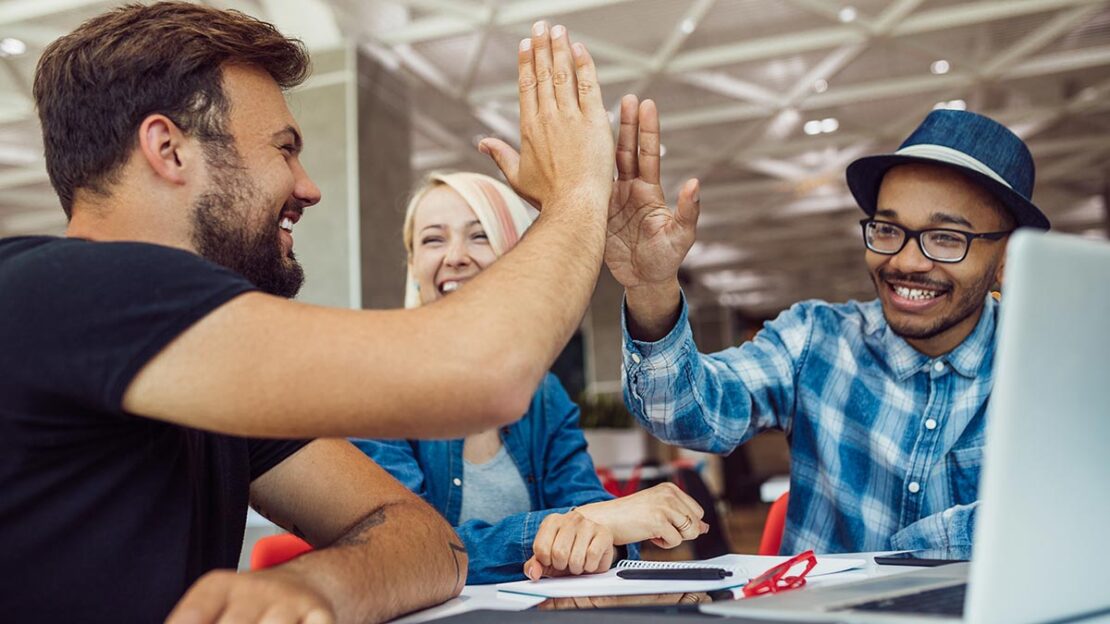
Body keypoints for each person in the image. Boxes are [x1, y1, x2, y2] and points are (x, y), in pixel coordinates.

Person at [0, 3, 616, 623]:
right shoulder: (55, 289)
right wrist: (579, 192)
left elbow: (433, 541)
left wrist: (319, 586)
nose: (308, 187)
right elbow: (488, 370)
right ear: (169, 149)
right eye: (284, 149)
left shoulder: (213, 375)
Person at [598, 98, 1048, 554]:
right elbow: (682, 414)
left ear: (1008, 259)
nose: (906, 261)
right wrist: (651, 288)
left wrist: (925, 547)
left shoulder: (1056, 374)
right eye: (888, 230)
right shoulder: (815, 341)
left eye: (946, 238)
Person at [353, 172, 709, 583]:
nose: (455, 256)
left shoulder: (544, 395)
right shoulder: (378, 387)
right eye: (433, 239)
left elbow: (590, 509)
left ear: (516, 258)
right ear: (413, 265)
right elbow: (405, 550)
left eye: (480, 235)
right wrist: (578, 526)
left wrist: (598, 535)